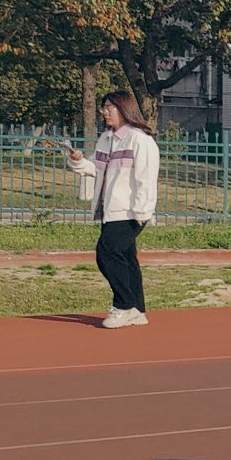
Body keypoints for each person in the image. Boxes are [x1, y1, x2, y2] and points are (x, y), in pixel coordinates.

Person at [64, 91, 160, 329]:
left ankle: (124, 304)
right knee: (126, 258)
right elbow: (95, 169)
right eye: (103, 108)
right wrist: (77, 160)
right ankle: (137, 310)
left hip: (129, 212)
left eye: (109, 107)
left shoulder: (140, 140)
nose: (104, 112)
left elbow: (146, 178)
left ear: (124, 109)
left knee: (106, 253)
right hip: (110, 210)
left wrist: (142, 212)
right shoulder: (106, 139)